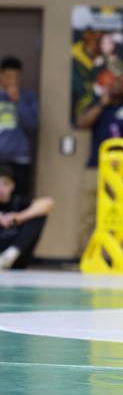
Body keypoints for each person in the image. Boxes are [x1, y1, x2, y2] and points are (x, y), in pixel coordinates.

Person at [75, 70, 123, 256]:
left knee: (117, 214)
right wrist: (101, 105)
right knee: (89, 214)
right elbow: (82, 123)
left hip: (121, 171)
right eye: (117, 81)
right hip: (95, 167)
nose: (119, 85)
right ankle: (85, 255)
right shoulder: (99, 105)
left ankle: (112, 256)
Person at [0, 165, 52, 269]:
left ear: (13, 186)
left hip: (16, 258)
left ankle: (10, 255)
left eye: (5, 184)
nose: (1, 188)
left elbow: (48, 202)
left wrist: (20, 217)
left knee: (37, 214)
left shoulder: (18, 202)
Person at [0, 55, 38, 198]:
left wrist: (18, 101)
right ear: (1, 75)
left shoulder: (28, 97)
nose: (12, 80)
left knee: (18, 202)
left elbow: (32, 125)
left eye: (16, 76)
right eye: (9, 75)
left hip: (19, 161)